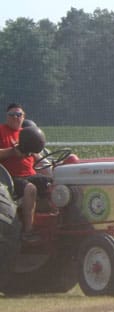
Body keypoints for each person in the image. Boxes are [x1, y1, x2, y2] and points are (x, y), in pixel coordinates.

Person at [0, 103, 44, 241]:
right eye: (12, 115)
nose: (15, 117)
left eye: (19, 115)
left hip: (31, 174)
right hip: (10, 178)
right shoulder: (1, 131)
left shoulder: (27, 133)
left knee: (56, 185)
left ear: (23, 117)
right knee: (30, 189)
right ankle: (28, 231)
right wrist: (12, 151)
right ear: (7, 117)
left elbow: (38, 156)